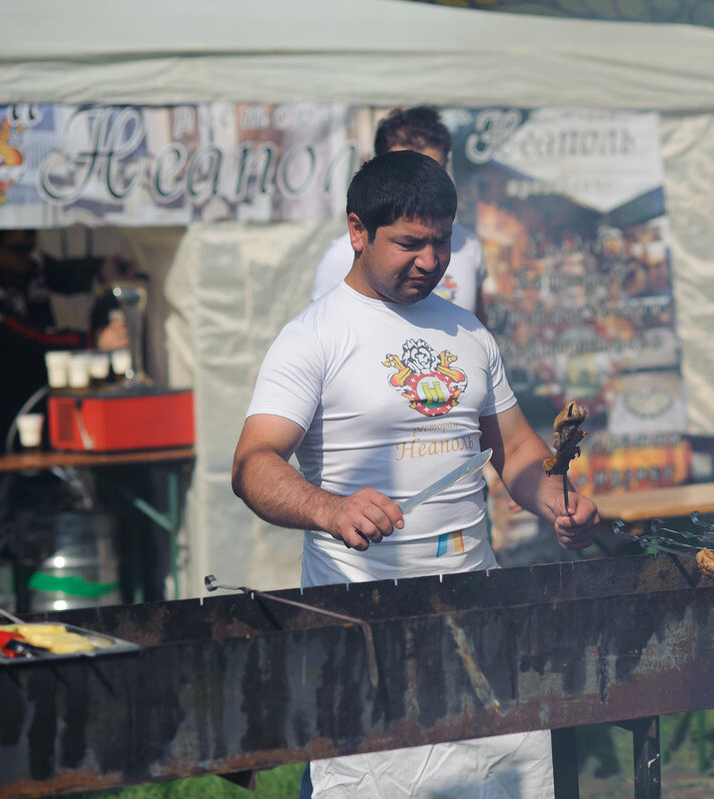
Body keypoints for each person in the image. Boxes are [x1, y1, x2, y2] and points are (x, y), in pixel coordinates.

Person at [232, 151, 599, 798]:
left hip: (479, 614)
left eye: (442, 242)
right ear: (357, 230)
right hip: (363, 626)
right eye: (408, 243)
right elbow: (253, 463)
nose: (430, 261)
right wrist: (330, 508)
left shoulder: (468, 334)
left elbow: (513, 451)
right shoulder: (312, 336)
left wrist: (555, 501)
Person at [311, 106, 488, 323]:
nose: (428, 262)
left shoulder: (468, 244)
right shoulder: (342, 256)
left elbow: (478, 327)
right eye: (407, 243)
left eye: (433, 170)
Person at [0, 229, 128, 453]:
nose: (28, 255)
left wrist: (101, 269)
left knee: (51, 467)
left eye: (32, 247)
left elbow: (66, 273)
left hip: (45, 390)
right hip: (2, 404)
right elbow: (29, 337)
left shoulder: (34, 265)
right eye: (19, 249)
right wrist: (92, 339)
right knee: (5, 477)